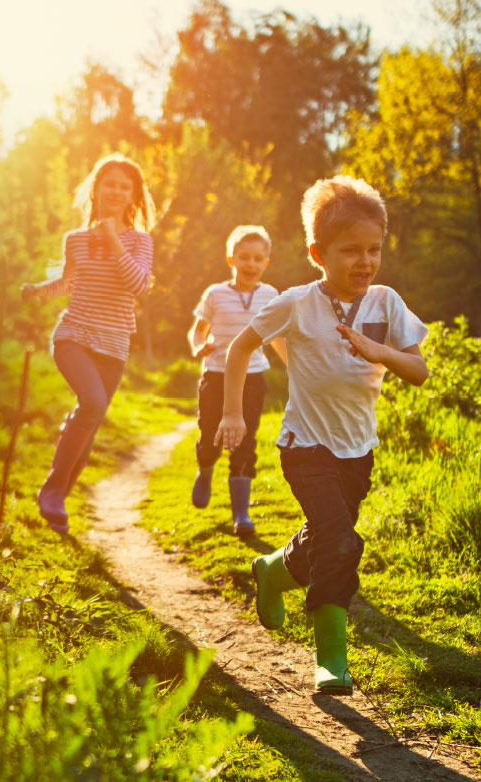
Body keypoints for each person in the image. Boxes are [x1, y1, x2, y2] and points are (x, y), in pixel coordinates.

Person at [215, 176, 428, 694]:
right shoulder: (296, 302)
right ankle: (331, 659)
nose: (365, 261)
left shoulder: (386, 303)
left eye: (373, 249)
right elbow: (240, 349)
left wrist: (382, 354)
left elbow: (419, 370)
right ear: (318, 252)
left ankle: (273, 570)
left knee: (325, 538)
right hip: (305, 445)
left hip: (359, 451)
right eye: (350, 250)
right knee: (339, 540)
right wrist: (233, 415)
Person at [22, 154, 156, 534]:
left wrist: (115, 240)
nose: (115, 190)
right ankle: (52, 490)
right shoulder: (75, 240)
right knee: (93, 403)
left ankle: (56, 503)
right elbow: (68, 283)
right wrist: (37, 291)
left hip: (114, 345)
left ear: (133, 196)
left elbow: (139, 285)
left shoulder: (140, 241)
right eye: (109, 183)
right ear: (95, 189)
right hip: (73, 335)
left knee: (90, 426)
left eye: (124, 186)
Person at [187, 225, 287, 536]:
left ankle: (241, 514)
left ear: (266, 263)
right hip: (215, 375)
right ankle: (205, 469)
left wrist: (297, 370)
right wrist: (197, 347)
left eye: (258, 258)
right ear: (231, 259)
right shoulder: (215, 294)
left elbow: (278, 337)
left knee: (244, 440)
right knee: (210, 437)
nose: (250, 264)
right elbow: (198, 330)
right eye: (244, 257)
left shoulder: (272, 296)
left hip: (252, 378)